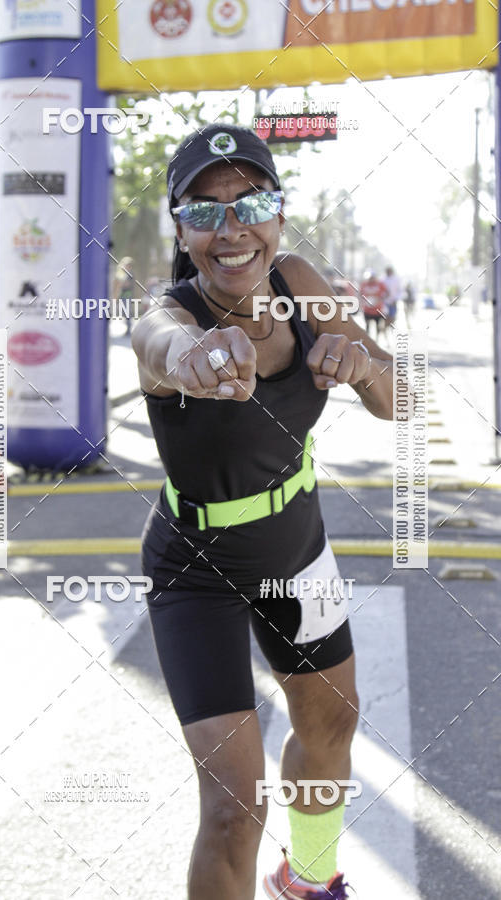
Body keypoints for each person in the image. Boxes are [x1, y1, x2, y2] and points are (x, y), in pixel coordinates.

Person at [132, 123, 394, 900]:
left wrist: (365, 364)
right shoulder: (168, 312)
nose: (231, 228)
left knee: (329, 729)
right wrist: (196, 358)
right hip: (195, 569)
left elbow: (398, 396)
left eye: (251, 202)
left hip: (294, 549)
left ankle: (310, 880)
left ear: (279, 213)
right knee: (231, 809)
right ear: (179, 229)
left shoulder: (302, 282)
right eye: (204, 211)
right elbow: (159, 343)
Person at [358, 269, 388, 340]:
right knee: (367, 325)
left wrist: (381, 299)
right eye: (370, 278)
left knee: (378, 325)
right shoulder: (364, 284)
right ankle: (368, 340)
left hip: (377, 309)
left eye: (372, 277)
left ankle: (377, 340)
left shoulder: (380, 284)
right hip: (367, 309)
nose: (371, 279)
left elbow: (386, 293)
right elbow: (360, 294)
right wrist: (362, 301)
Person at [112, 256, 137, 336]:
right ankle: (128, 329)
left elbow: (127, 284)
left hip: (127, 295)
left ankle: (129, 330)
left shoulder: (129, 274)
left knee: (127, 313)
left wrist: (121, 284)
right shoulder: (124, 273)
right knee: (125, 312)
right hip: (123, 295)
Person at [383, 265, 402, 334]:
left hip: (393, 302)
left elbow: (400, 291)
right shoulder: (383, 279)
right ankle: (384, 334)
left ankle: (392, 332)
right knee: (385, 319)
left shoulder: (396, 279)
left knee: (392, 318)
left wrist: (396, 299)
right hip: (385, 303)